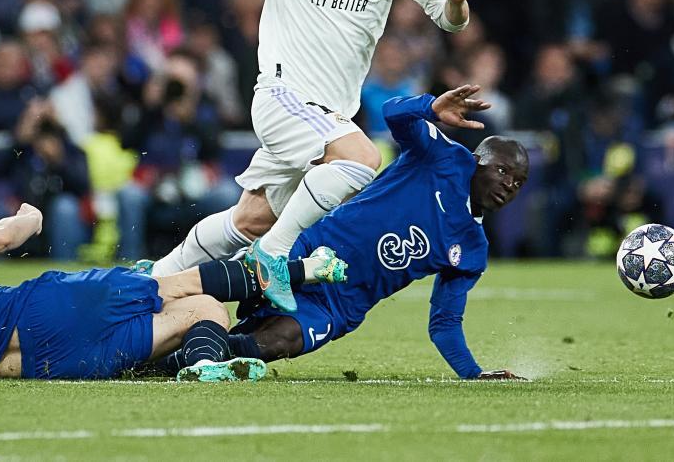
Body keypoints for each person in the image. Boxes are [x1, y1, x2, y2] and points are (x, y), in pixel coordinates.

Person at [150, 0, 480, 316]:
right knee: (362, 159)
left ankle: (153, 279)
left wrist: (456, 0)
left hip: (329, 114)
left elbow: (449, 21)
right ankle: (272, 255)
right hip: (283, 96)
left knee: (249, 219)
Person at [158, 90, 529, 380]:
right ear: (477, 160)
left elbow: (444, 323)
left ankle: (166, 362)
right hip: (308, 251)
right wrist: (430, 107)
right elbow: (394, 112)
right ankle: (147, 293)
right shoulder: (443, 156)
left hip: (338, 306)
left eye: (518, 182)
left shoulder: (473, 249)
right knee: (214, 287)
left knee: (276, 341)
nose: (509, 185)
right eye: (503, 171)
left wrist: (473, 373)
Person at [0, 204, 348, 383]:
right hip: (43, 310)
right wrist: (28, 216)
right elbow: (2, 238)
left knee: (203, 310)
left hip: (48, 366)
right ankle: (302, 270)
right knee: (176, 283)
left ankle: (205, 367)